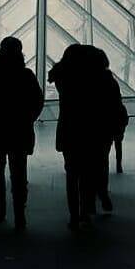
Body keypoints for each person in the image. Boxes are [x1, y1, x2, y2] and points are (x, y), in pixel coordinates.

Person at [0, 36, 44, 229]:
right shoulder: (26, 75)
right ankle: (19, 213)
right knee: (19, 173)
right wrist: (28, 118)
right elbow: (37, 101)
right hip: (20, 131)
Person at [48, 43, 113, 229]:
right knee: (87, 174)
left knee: (72, 175)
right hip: (90, 131)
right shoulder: (93, 78)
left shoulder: (63, 78)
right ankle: (84, 211)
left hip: (68, 130)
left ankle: (74, 216)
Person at [95, 50, 129, 214]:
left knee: (90, 161)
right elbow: (117, 105)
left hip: (92, 128)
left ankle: (90, 196)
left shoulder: (86, 83)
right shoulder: (111, 82)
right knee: (102, 160)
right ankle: (102, 191)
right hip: (107, 127)